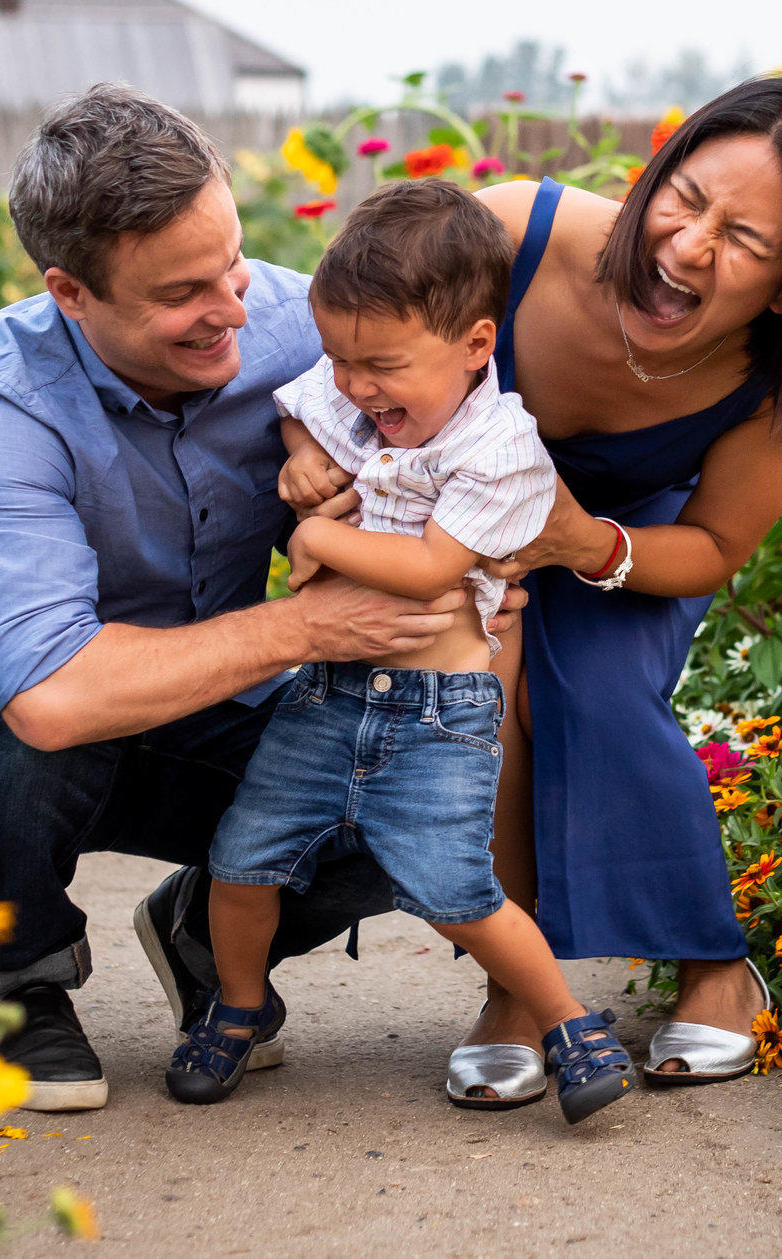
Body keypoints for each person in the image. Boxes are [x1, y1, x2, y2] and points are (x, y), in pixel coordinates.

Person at [0, 83, 519, 1111]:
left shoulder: (300, 327)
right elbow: (51, 690)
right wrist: (307, 623)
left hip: (214, 707)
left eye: (230, 261)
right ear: (71, 293)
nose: (232, 306)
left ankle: (201, 934)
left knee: (406, 778)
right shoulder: (5, 400)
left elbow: (462, 434)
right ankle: (21, 986)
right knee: (23, 721)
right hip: (0, 724)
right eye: (186, 292)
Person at [280, 76, 782, 1100]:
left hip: (627, 538)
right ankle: (520, 983)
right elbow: (356, 339)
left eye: (744, 238)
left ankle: (713, 961)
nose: (689, 245)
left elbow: (712, 544)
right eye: (686, 197)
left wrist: (577, 541)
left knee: (595, 688)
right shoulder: (518, 230)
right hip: (451, 532)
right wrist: (313, 451)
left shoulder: (780, 378)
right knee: (484, 707)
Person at [182, 181, 634, 1124]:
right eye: (341, 358)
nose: (355, 385)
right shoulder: (355, 393)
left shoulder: (503, 447)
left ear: (476, 345)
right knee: (242, 859)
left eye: (379, 364)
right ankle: (237, 1003)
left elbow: (433, 570)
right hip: (328, 695)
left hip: (440, 713)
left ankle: (565, 1020)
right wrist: (303, 446)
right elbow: (302, 402)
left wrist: (314, 541)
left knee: (457, 889)